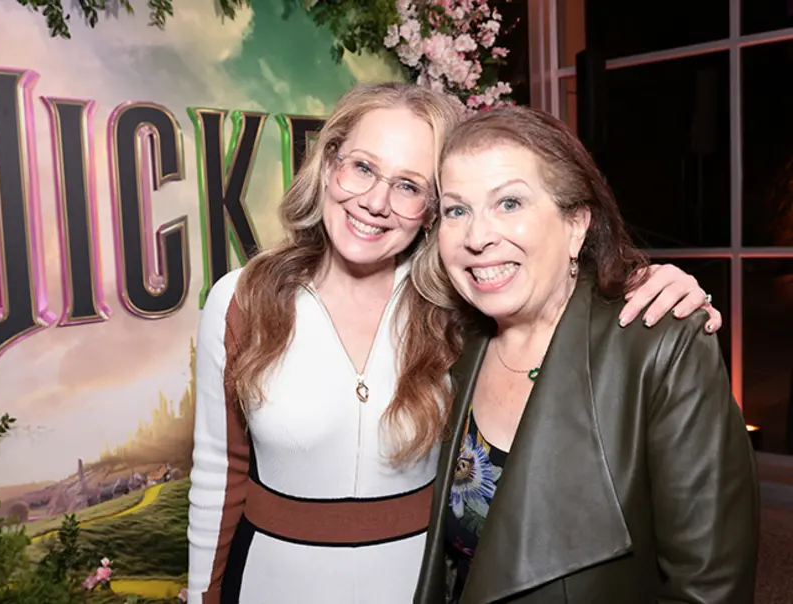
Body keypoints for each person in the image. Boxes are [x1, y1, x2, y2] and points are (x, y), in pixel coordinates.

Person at [187, 83, 722, 604]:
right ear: (330, 165)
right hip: (270, 583)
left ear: (428, 211)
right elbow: (219, 473)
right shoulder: (245, 299)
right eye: (363, 167)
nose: (376, 201)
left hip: (415, 586)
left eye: (409, 185)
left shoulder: (454, 307)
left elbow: (561, 297)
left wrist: (651, 283)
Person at [412, 106, 758, 604]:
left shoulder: (659, 345)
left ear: (576, 224)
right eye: (456, 210)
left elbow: (709, 587)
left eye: (509, 203)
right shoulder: (449, 343)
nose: (477, 236)